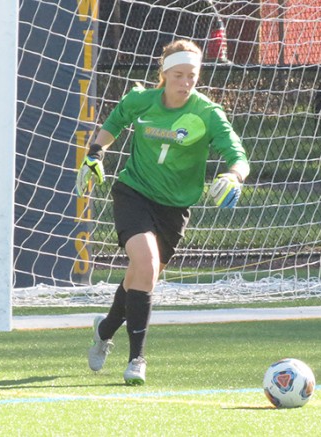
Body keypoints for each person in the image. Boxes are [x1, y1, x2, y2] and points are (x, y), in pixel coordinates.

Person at [76, 39, 250, 385]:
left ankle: (105, 328)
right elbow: (115, 122)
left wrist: (234, 176)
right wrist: (95, 152)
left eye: (192, 76)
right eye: (179, 75)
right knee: (146, 263)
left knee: (142, 277)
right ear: (164, 74)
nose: (185, 83)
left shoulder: (207, 113)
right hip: (134, 193)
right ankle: (136, 359)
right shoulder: (141, 101)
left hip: (174, 207)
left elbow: (238, 156)